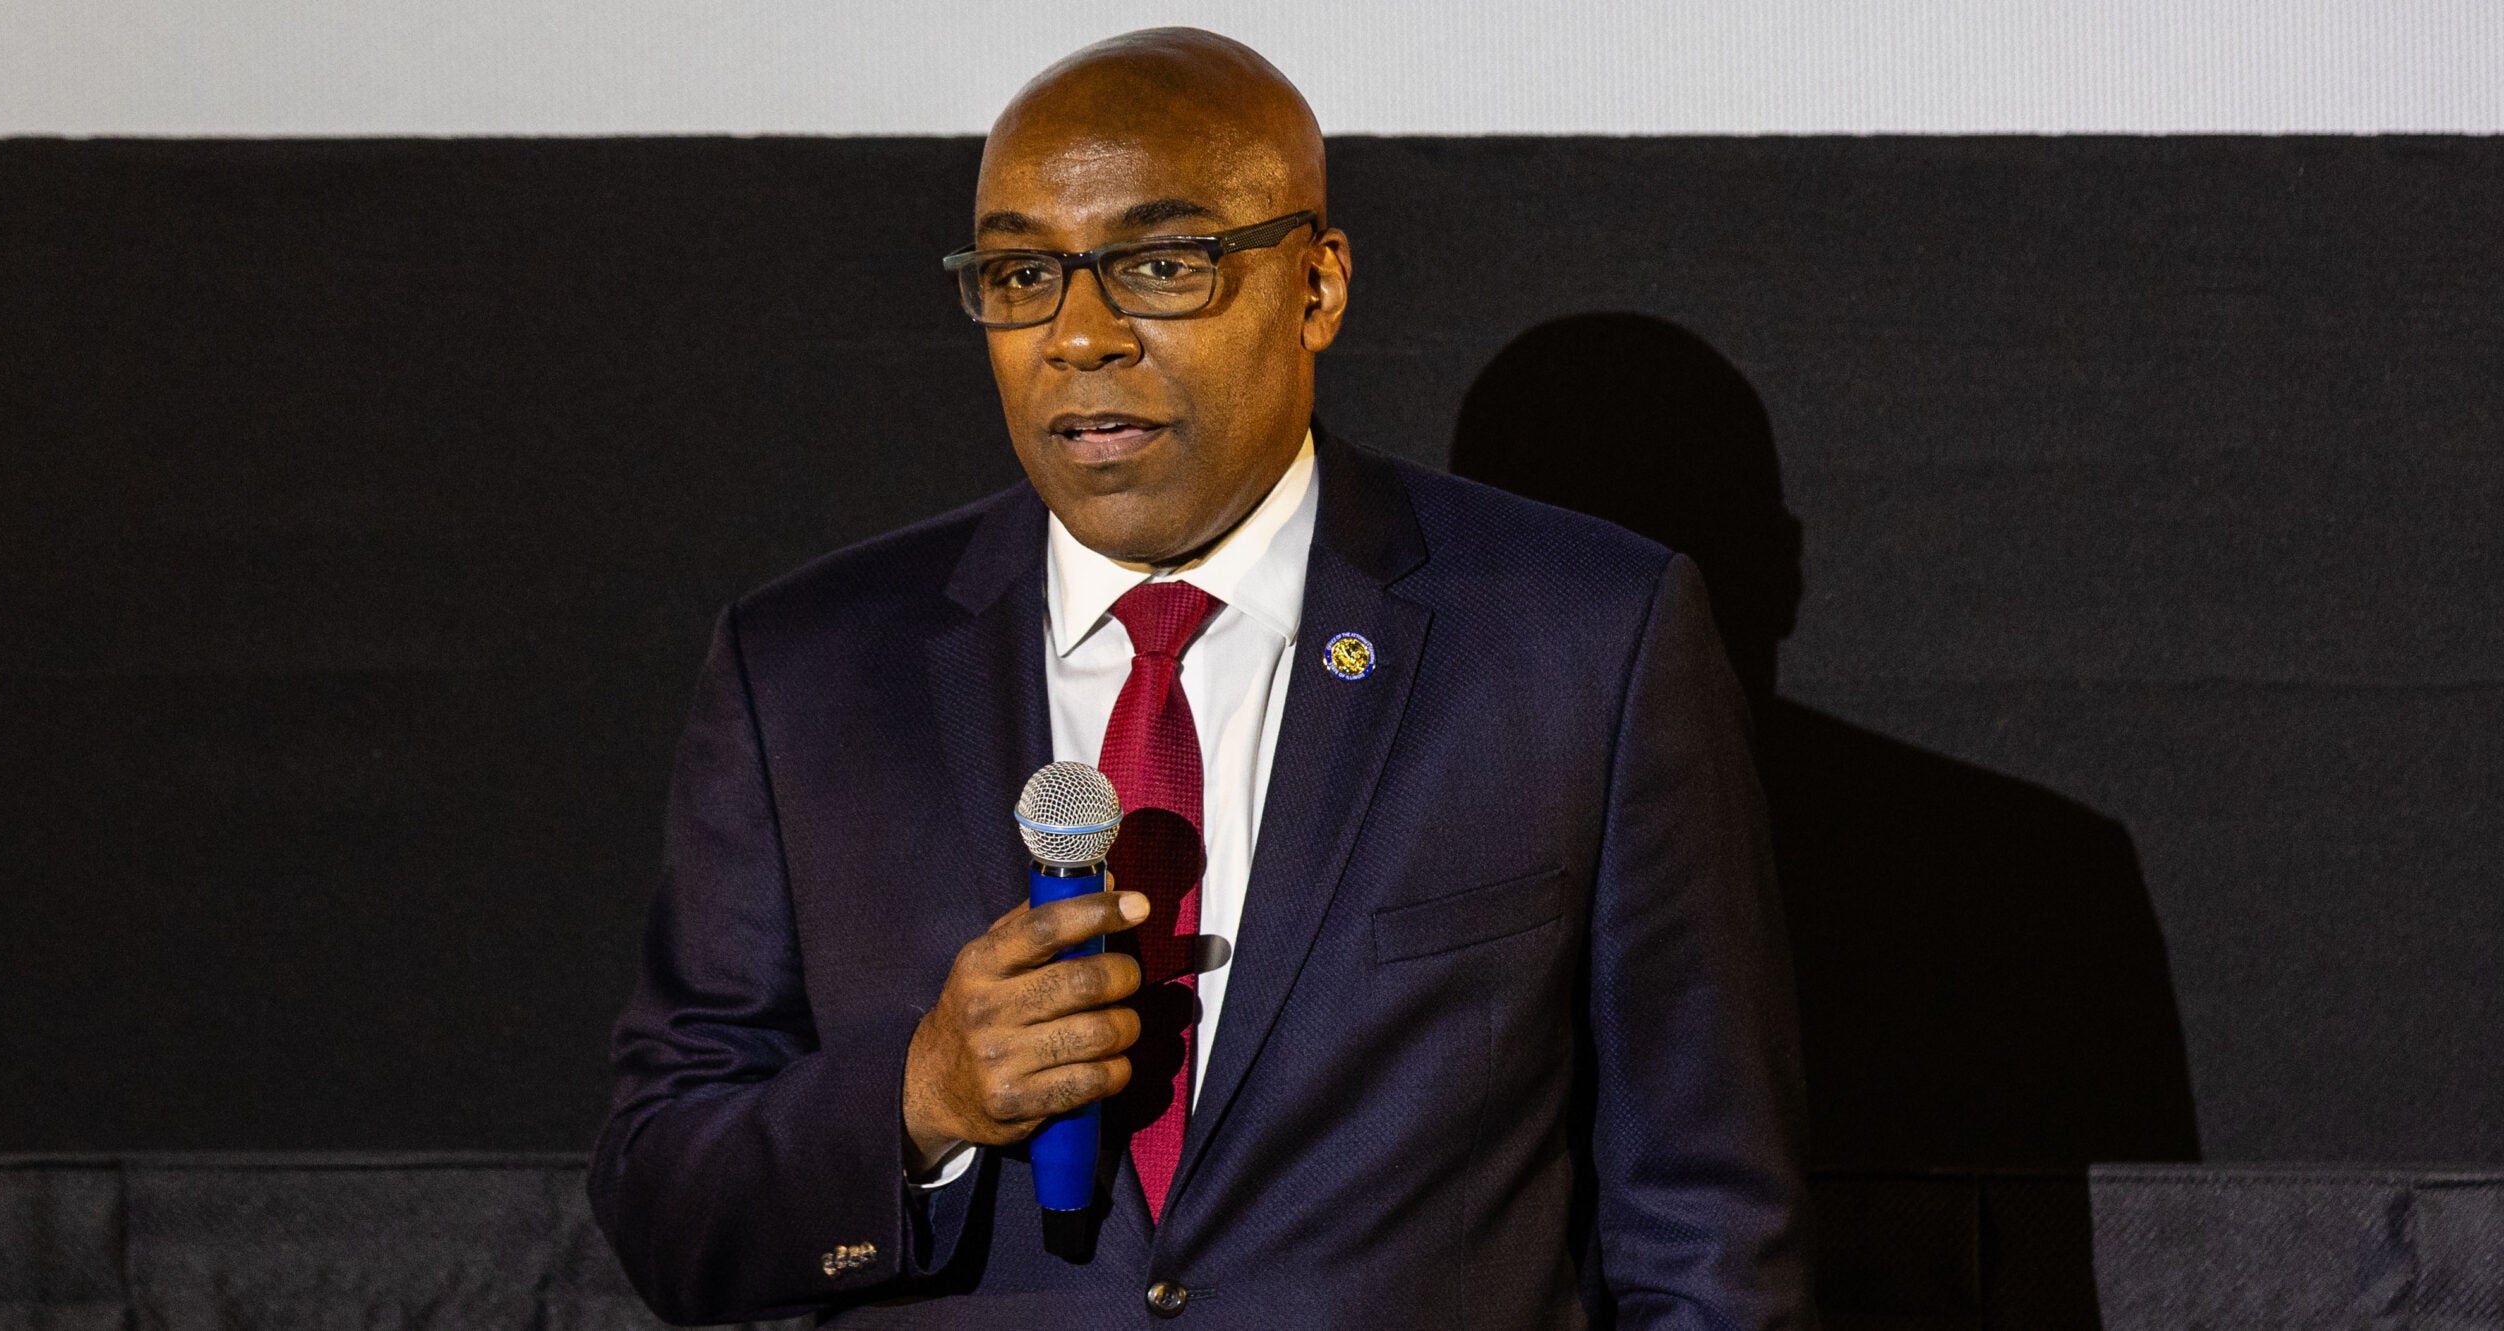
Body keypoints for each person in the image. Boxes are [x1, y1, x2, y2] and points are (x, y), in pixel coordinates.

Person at [591, 28, 1811, 1328]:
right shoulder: (809, 673)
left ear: (1317, 287)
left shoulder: (1579, 640)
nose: (1079, 337)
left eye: (1161, 265)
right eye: (1021, 274)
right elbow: (666, 1203)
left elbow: (1706, 1232)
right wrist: (920, 1099)